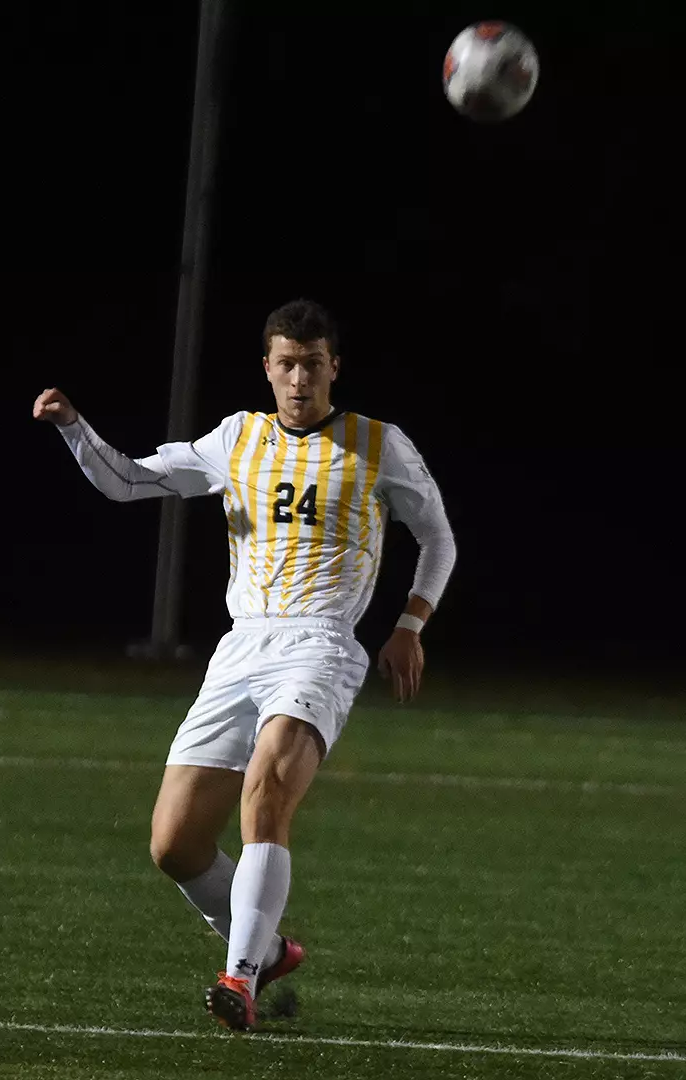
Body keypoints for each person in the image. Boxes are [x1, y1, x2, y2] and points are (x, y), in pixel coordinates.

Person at [33, 298, 456, 1032]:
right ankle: (267, 949)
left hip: (320, 643)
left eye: (313, 365)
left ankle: (242, 974)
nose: (299, 380)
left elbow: (439, 538)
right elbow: (128, 481)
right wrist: (75, 428)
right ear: (267, 368)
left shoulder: (378, 444)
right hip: (242, 647)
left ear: (334, 368)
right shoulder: (237, 440)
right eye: (286, 365)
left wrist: (409, 625)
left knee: (266, 793)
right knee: (175, 844)